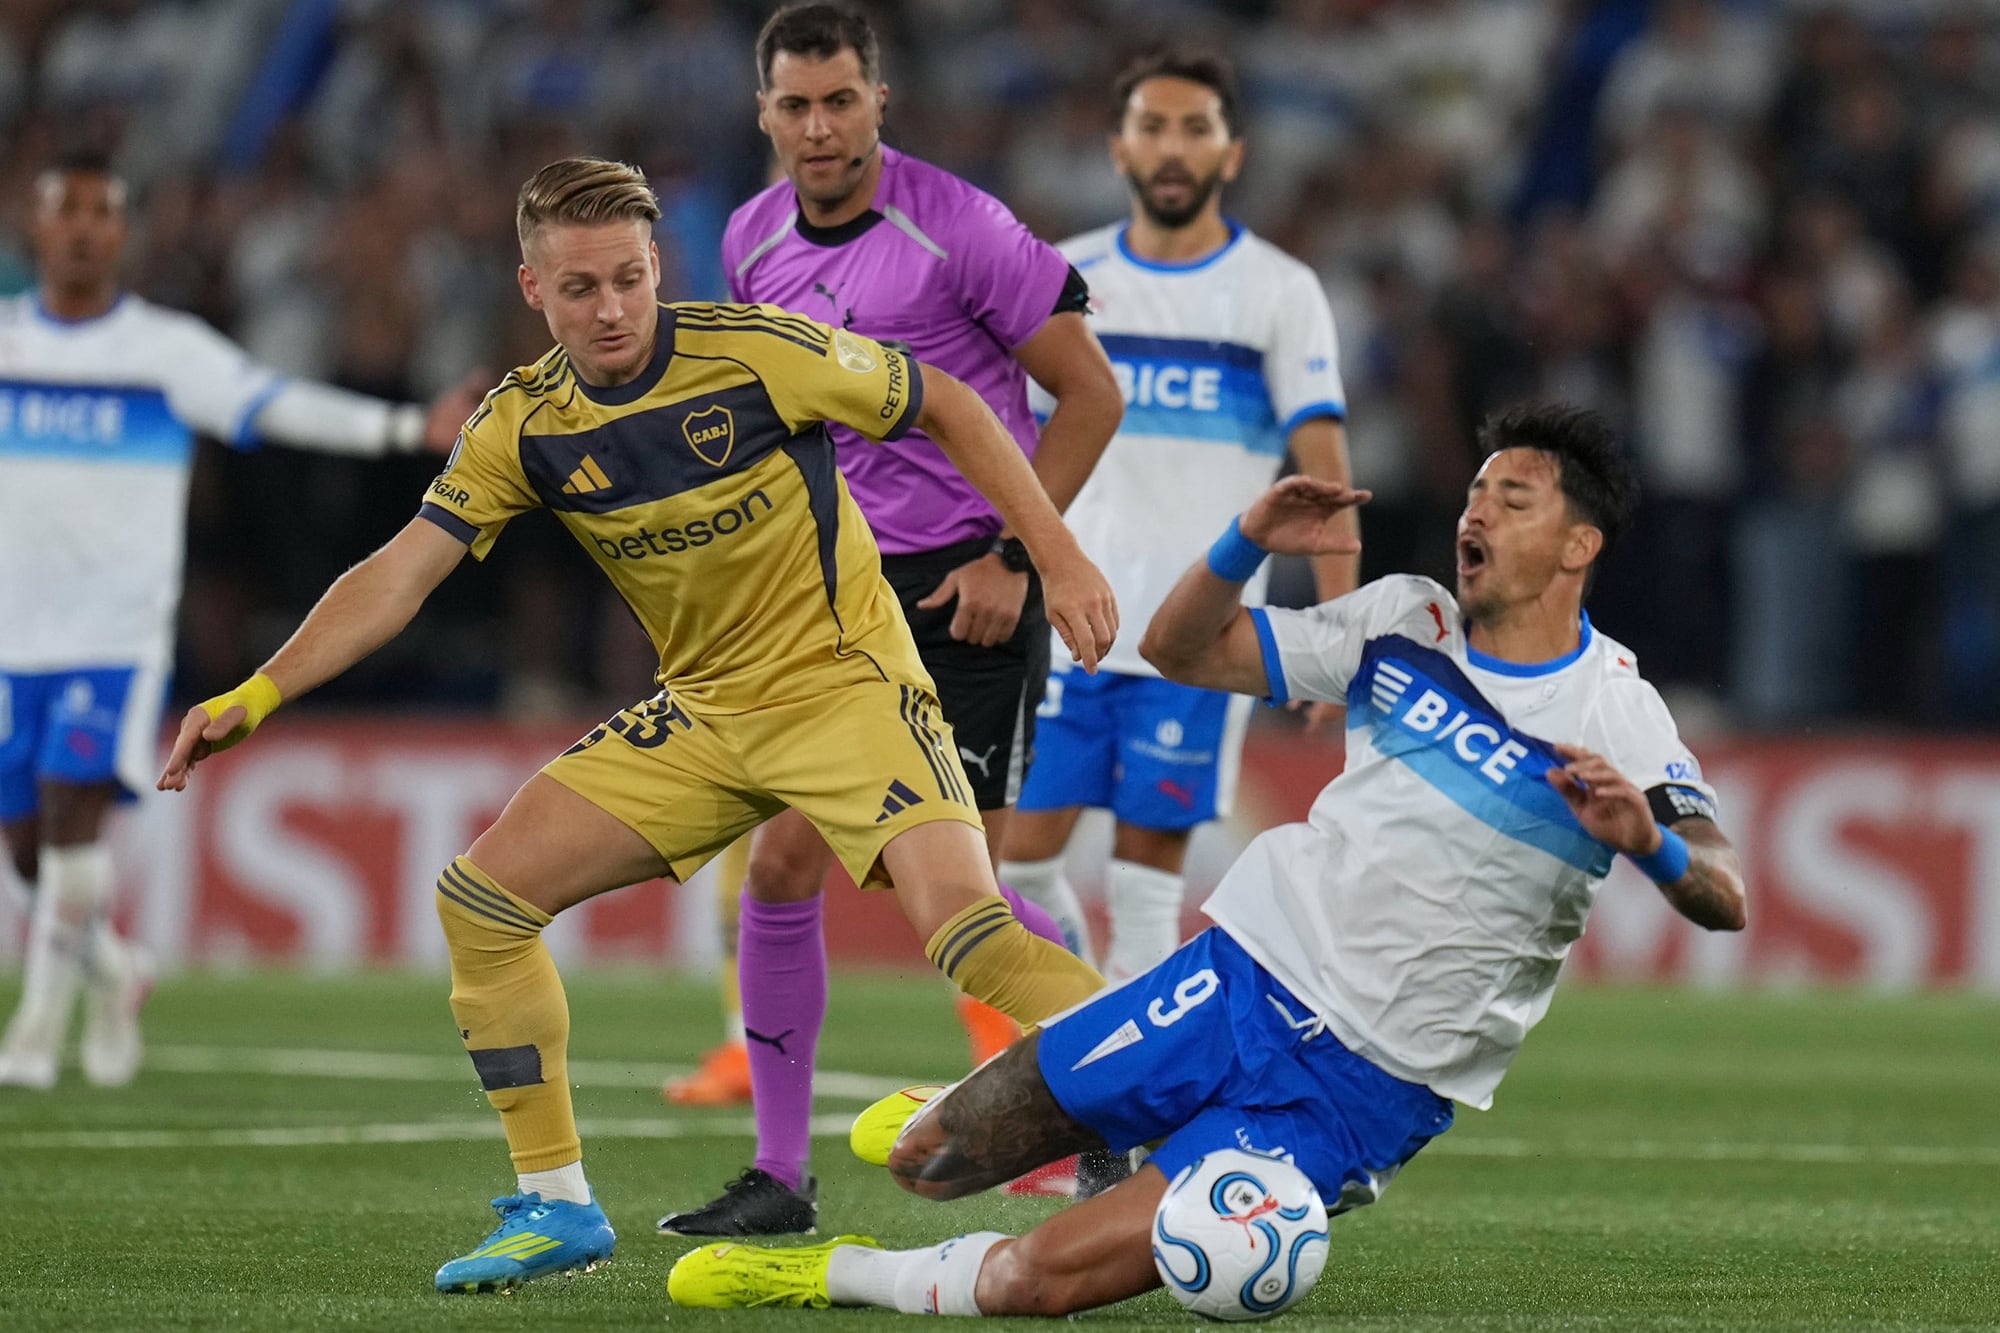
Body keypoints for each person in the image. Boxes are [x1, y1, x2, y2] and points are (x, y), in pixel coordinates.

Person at [156, 157, 1116, 1295]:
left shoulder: (757, 351)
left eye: (626, 279)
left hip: (846, 685)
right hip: (706, 711)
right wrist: (253, 693)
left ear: (656, 265)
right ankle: (557, 1205)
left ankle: (1169, 1085)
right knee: (482, 899)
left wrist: (1051, 556)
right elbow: (400, 574)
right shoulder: (524, 425)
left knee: (963, 927)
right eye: (579, 289)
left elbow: (950, 400)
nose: (609, 309)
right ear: (532, 288)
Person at [665, 402, 1749, 1318]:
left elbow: (1722, 891)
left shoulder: (1617, 711)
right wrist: (1243, 540)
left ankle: (827, 1273)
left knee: (1039, 1279)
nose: (1474, 512)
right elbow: (1185, 649)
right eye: (1474, 492)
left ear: (1577, 545)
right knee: (930, 1159)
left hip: (1362, 1088)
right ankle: (1000, 1099)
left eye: (1512, 500)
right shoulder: (1400, 624)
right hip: (1239, 981)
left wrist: (1645, 840)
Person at [656, 1, 1124, 1236]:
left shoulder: (957, 225)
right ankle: (777, 1173)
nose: (819, 128)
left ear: (880, 101)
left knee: (956, 906)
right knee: (783, 862)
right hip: (834, 605)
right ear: (764, 112)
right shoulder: (751, 242)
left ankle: (1137, 1077)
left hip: (968, 599)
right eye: (795, 105)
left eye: (841, 102)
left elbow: (1087, 395)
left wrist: (1015, 561)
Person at [0, 149, 475, 1091]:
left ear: (122, 231)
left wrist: (402, 427)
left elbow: (276, 404)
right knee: (26, 851)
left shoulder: (165, 349)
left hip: (114, 630)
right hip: (15, 633)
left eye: (103, 211)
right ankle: (117, 967)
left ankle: (34, 1030)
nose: (85, 229)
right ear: (36, 227)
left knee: (69, 810)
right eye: (67, 211)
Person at [999, 48, 1359, 983]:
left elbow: (1325, 475)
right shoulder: (1058, 276)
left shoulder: (1279, 291)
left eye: (1194, 128)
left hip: (1194, 636)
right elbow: (1006, 443)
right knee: (1016, 866)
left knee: (1146, 887)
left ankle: (1123, 1109)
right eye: (1152, 126)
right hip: (1066, 624)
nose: (1171, 147)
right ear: (1117, 146)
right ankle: (1092, 1037)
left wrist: (1337, 634)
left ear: (1232, 153)